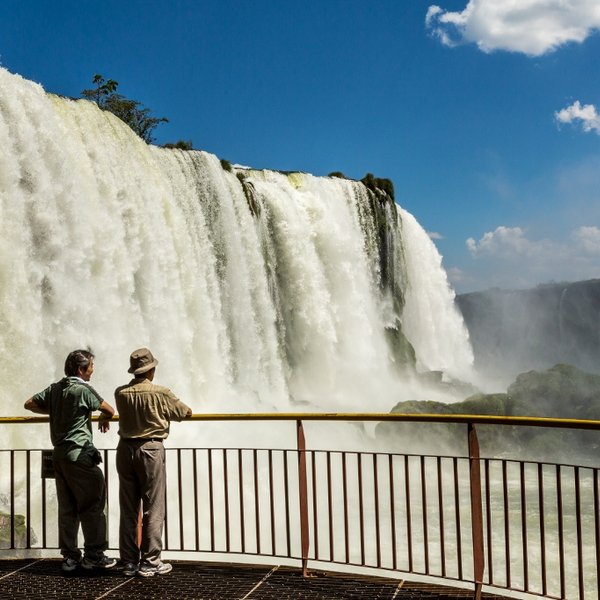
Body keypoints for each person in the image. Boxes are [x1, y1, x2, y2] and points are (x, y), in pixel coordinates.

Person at [24, 349, 117, 572]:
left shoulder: (55, 388)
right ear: (80, 370)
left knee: (67, 509)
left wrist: (56, 411)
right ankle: (94, 556)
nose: (93, 371)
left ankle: (70, 557)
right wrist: (104, 417)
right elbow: (109, 409)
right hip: (80, 456)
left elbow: (29, 404)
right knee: (92, 505)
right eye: (91, 367)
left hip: (59, 457)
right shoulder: (82, 389)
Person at [114, 347, 192, 577]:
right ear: (151, 371)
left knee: (129, 508)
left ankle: (128, 561)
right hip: (151, 449)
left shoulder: (120, 393)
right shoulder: (161, 393)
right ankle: (150, 561)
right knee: (153, 507)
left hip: (125, 449)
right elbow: (186, 412)